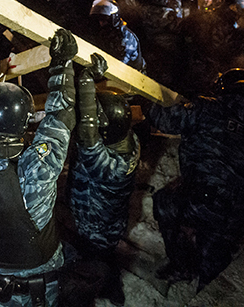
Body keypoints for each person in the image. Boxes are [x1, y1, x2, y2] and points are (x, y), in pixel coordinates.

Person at [0, 29, 78, 307]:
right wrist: (63, 66)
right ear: (22, 125)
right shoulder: (33, 168)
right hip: (38, 285)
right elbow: (60, 119)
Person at [148, 69, 244, 291]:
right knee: (215, 251)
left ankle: (181, 265)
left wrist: (148, 99)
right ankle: (207, 282)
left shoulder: (210, 107)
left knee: (165, 202)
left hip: (207, 198)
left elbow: (164, 120)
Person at [67, 53, 140, 306]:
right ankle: (112, 285)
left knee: (95, 263)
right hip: (109, 223)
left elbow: (88, 137)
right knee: (105, 257)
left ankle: (103, 289)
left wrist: (87, 79)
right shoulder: (127, 142)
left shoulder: (110, 167)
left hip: (96, 229)